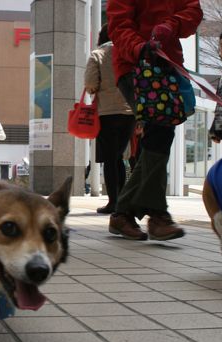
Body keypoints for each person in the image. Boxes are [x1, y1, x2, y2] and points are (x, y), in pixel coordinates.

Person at [106, 0, 203, 241]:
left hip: (167, 62)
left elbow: (193, 11)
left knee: (159, 133)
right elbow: (118, 27)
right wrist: (140, 48)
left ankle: (124, 213)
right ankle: (156, 215)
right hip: (134, 64)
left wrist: (172, 24)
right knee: (160, 129)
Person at [84, 23, 135, 214]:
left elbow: (90, 83)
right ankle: (121, 200)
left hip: (106, 112)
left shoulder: (97, 54)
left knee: (110, 158)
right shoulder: (128, 51)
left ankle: (113, 201)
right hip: (129, 111)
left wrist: (95, 90)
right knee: (119, 156)